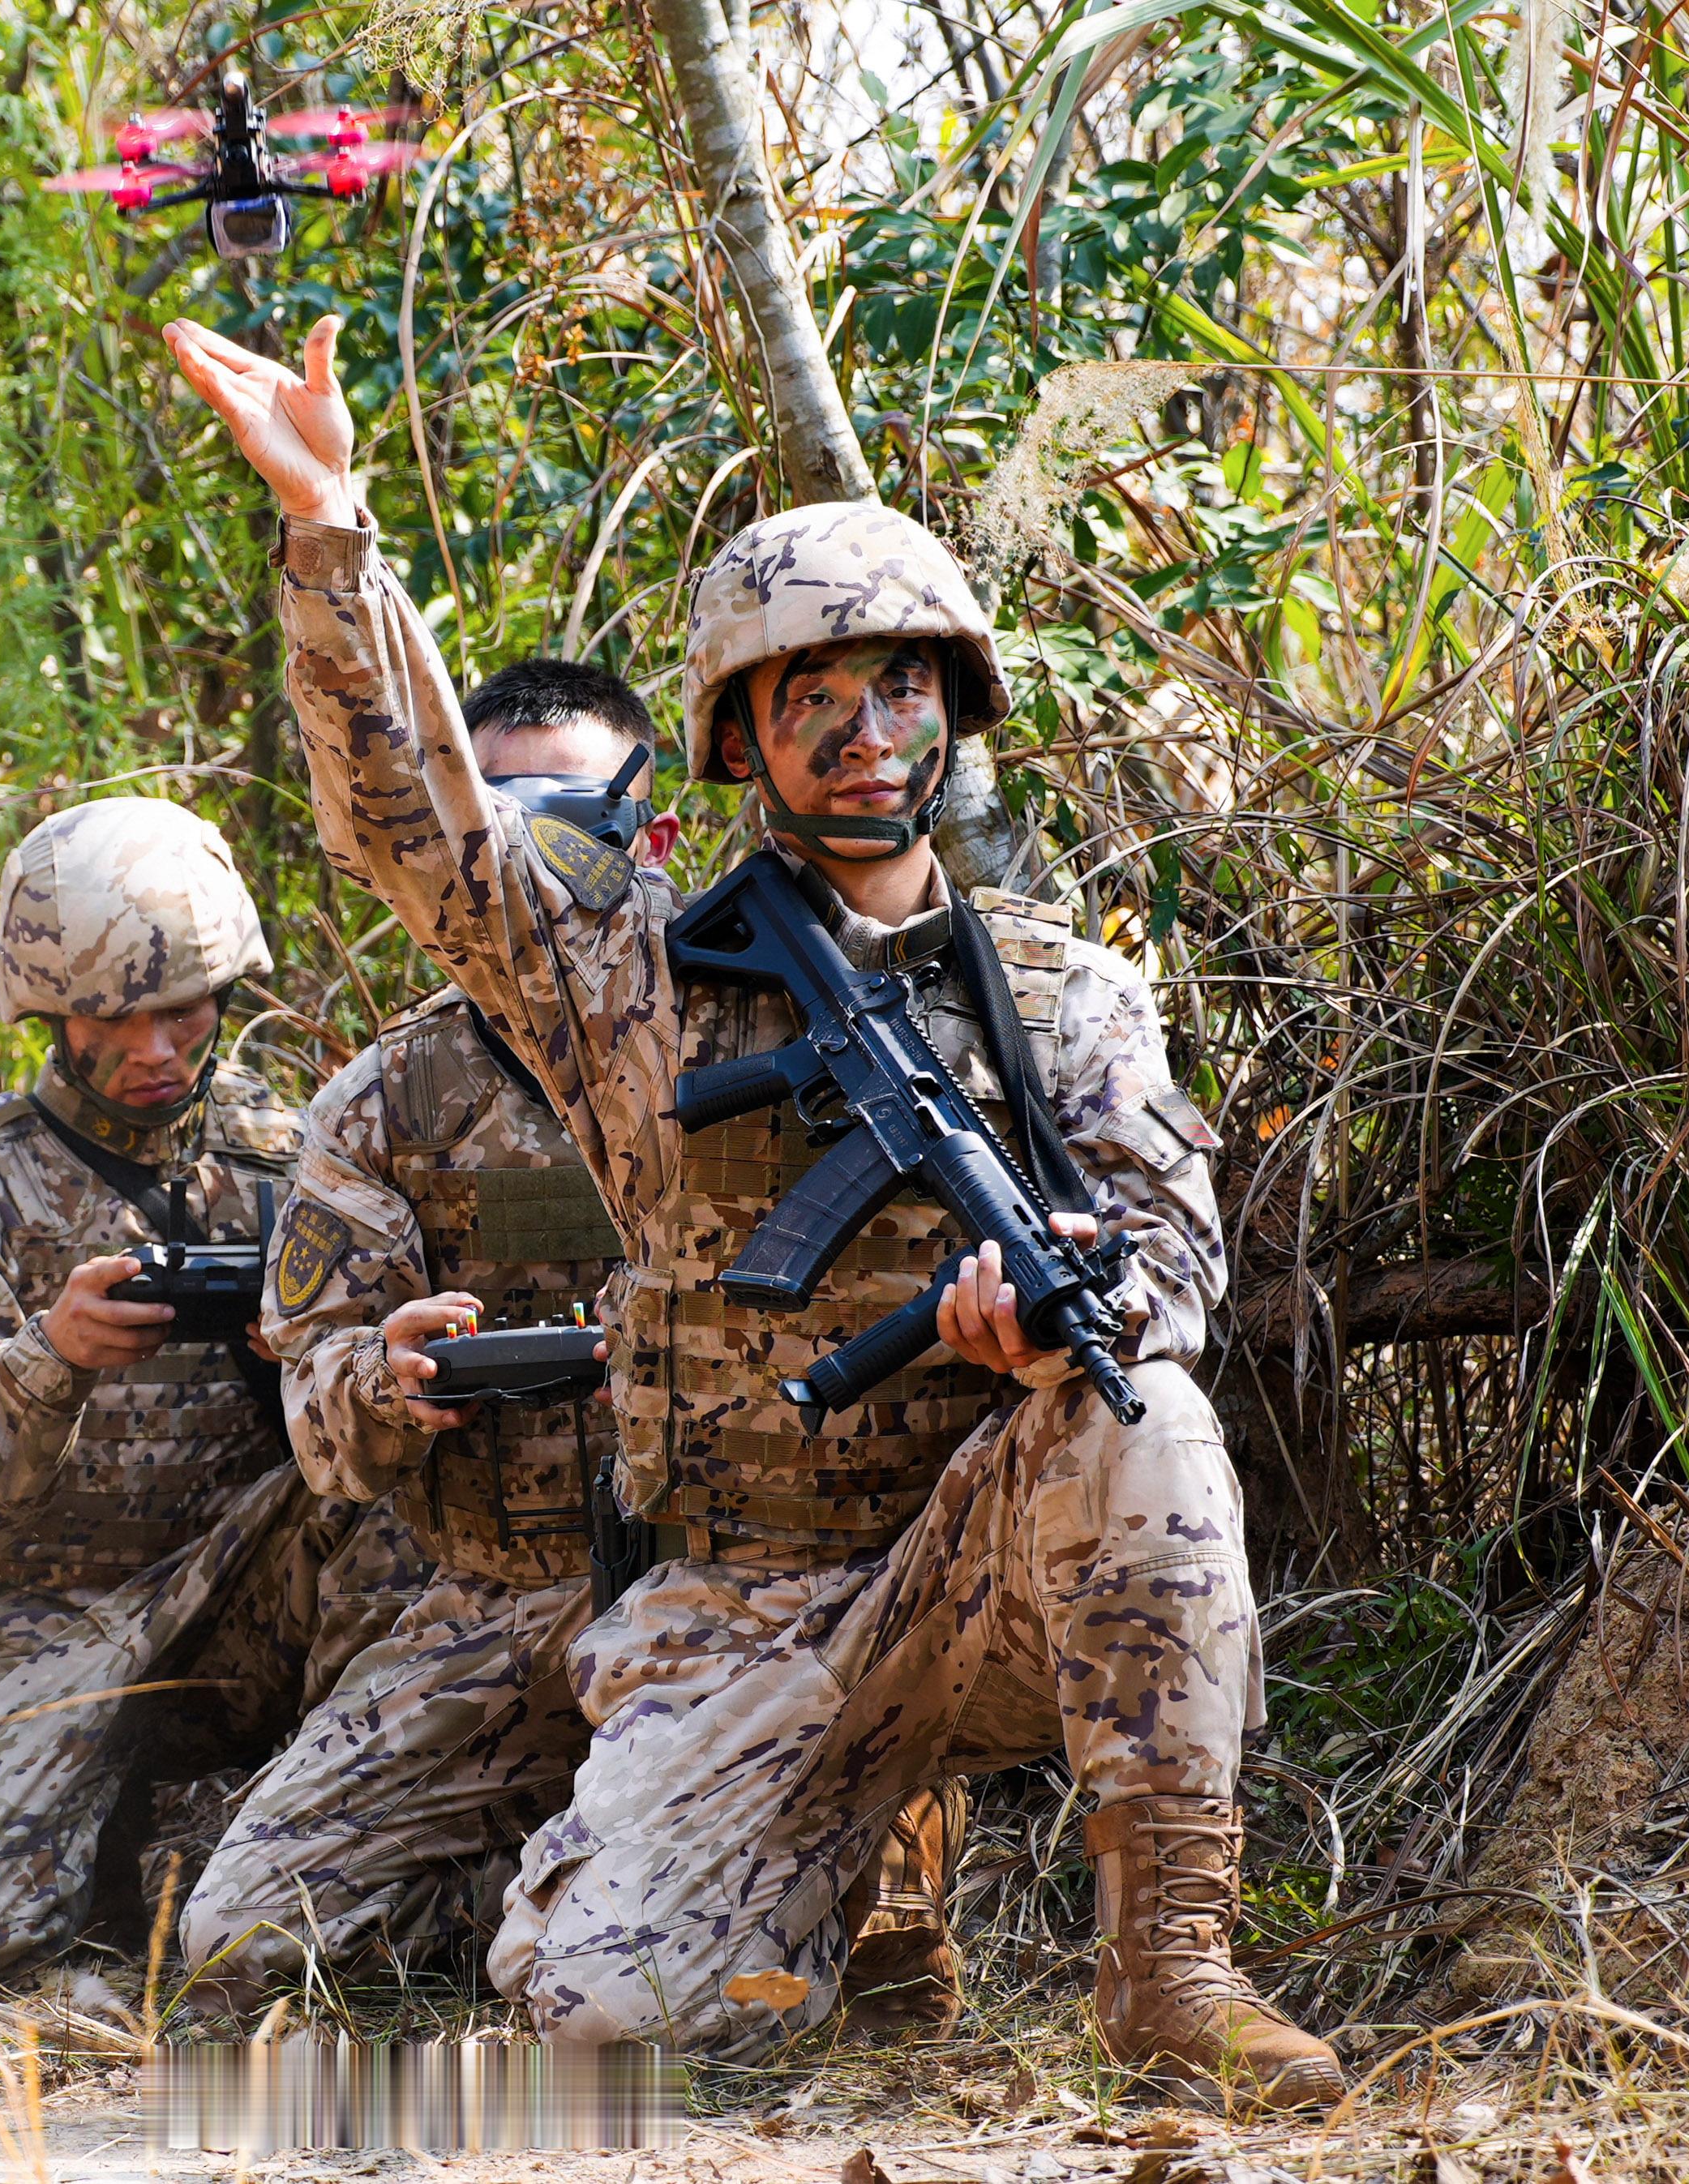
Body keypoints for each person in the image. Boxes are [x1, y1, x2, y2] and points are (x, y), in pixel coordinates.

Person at [164, 314, 1340, 2109]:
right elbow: (421, 832)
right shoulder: (635, 978)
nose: (866, 738)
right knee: (602, 2027)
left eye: (900, 691)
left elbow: (1170, 1249)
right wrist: (332, 538)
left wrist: (1073, 1318)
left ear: (953, 709)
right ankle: (850, 1876)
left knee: (1146, 1416)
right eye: (812, 702)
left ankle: (1170, 1965)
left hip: (971, 1565)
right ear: (738, 737)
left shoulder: (1067, 993)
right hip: (735, 1613)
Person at [0, 796, 427, 1985]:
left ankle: (310, 1815)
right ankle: (127, 1842)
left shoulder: (296, 1154)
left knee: (410, 1515)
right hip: (24, 1628)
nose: (156, 1050)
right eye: (114, 1018)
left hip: (249, 1598)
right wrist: (50, 1360)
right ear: (51, 1014)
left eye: (184, 1011)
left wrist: (323, 1359)